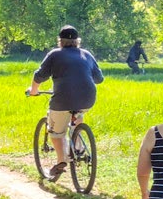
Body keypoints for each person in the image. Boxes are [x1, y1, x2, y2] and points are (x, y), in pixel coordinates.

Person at [26, 25, 104, 180]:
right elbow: (99, 79)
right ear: (77, 41)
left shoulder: (55, 54)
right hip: (88, 97)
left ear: (60, 41)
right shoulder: (86, 54)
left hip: (62, 99)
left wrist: (33, 91)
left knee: (56, 133)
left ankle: (61, 161)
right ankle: (79, 148)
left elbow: (39, 75)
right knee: (78, 113)